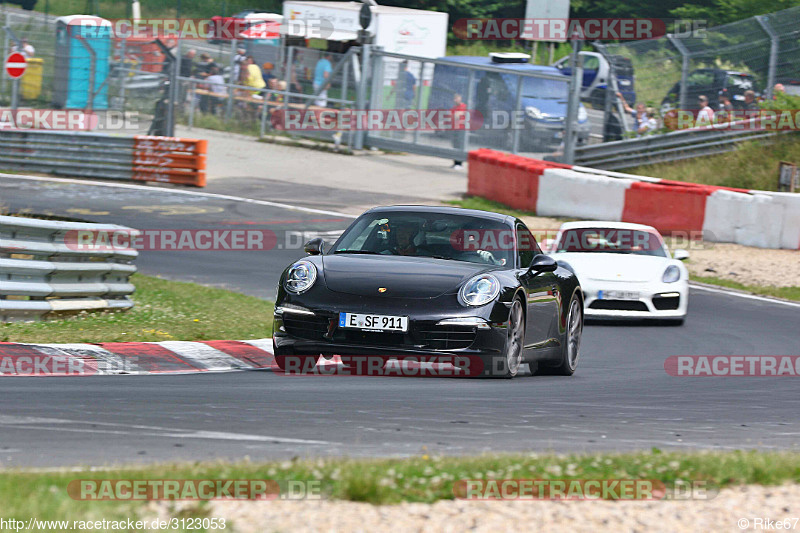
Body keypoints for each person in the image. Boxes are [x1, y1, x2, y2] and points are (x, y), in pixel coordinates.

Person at [450, 93, 468, 169]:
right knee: (455, 146)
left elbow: (458, 115)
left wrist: (457, 115)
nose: (455, 100)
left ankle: (460, 164)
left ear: (460, 98)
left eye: (456, 98)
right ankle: (455, 163)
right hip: (455, 129)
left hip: (461, 129)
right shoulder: (453, 108)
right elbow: (453, 117)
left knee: (460, 146)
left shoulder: (464, 106)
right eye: (454, 98)